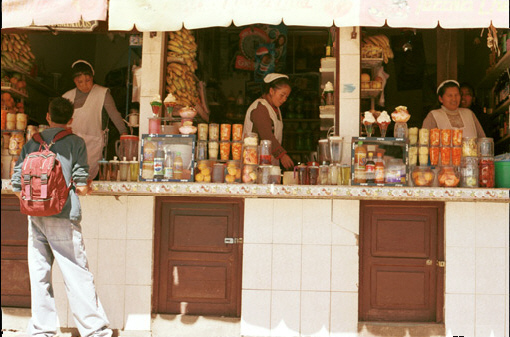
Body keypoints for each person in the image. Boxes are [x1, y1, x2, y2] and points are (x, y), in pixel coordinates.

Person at [11, 97, 112, 337]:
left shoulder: (31, 142)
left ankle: (41, 330)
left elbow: (16, 184)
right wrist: (86, 187)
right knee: (76, 273)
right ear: (71, 120)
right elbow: (80, 185)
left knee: (39, 274)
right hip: (64, 216)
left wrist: (35, 206)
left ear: (47, 117)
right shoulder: (75, 142)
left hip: (35, 219)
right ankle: (95, 331)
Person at [63, 60, 127, 180]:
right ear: (74, 81)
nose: (84, 85)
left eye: (88, 80)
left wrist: (124, 133)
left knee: (87, 180)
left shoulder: (102, 93)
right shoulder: (67, 97)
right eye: (79, 82)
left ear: (93, 77)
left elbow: (115, 115)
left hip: (93, 146)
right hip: (70, 146)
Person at [243, 73, 294, 170]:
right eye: (282, 95)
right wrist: (282, 155)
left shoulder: (275, 108)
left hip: (268, 163)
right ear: (271, 91)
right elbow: (266, 135)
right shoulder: (260, 108)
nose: (284, 100)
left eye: (286, 97)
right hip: (254, 163)